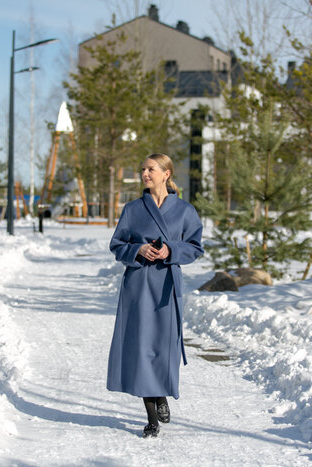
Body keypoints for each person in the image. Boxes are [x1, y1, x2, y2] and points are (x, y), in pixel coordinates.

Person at [107, 153, 204, 438]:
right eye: (143, 169)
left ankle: (161, 394)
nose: (145, 174)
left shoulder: (185, 211)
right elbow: (116, 245)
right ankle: (151, 417)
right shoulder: (133, 209)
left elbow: (195, 247)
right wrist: (137, 250)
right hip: (137, 285)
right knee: (140, 348)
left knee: (164, 347)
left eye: (151, 169)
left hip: (167, 286)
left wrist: (171, 250)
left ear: (166, 173)